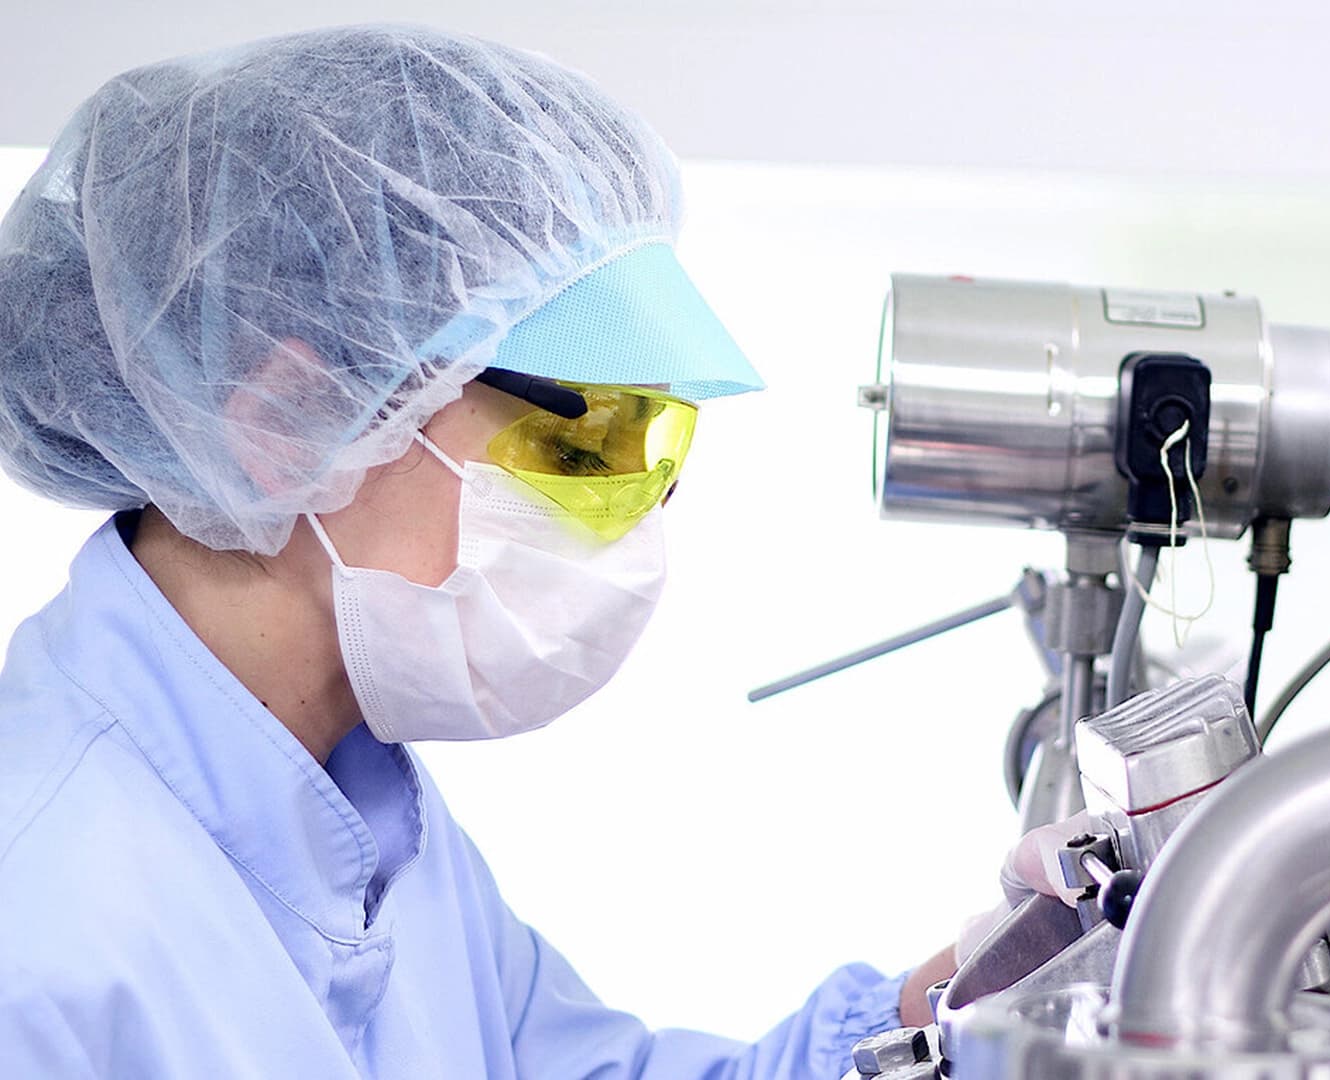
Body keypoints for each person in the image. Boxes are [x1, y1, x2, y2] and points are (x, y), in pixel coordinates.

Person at [0, 25, 1069, 1078]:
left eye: (651, 453)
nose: (628, 520)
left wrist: (985, 987)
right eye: (575, 444)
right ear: (288, 419)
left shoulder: (358, 814)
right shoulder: (45, 927)